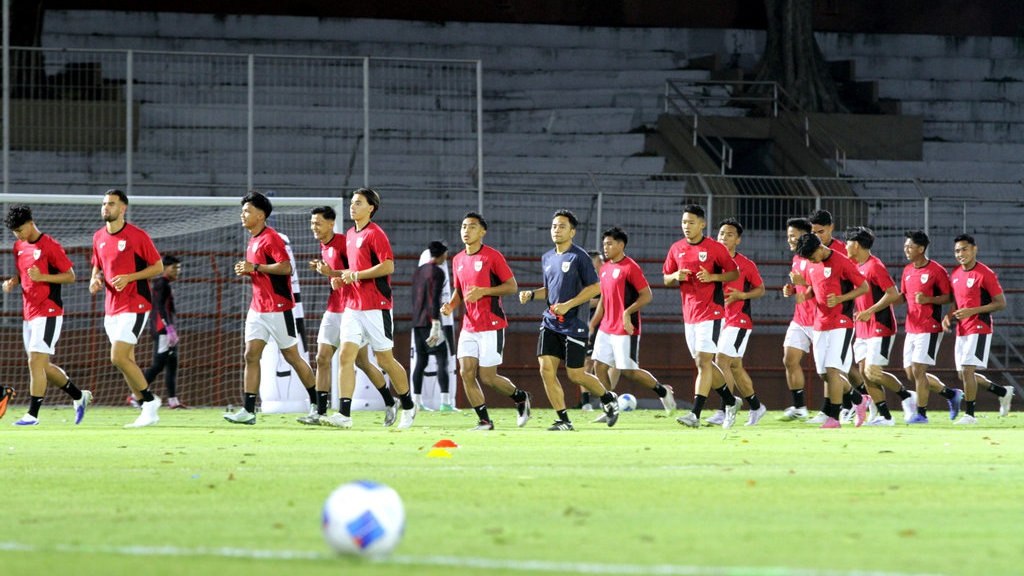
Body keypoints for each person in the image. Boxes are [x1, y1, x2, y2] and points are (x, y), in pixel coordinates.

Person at [518, 209, 619, 431]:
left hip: (575, 324)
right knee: (546, 369)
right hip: (551, 322)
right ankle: (564, 420)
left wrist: (569, 305)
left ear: (572, 231)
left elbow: (595, 287)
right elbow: (551, 289)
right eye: (554, 226)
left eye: (562, 226)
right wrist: (533, 294)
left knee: (575, 374)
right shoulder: (547, 257)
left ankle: (608, 398)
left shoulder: (579, 256)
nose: (557, 230)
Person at [224, 191, 318, 425]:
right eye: (242, 210)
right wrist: (248, 269)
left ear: (261, 215)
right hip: (257, 308)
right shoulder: (253, 239)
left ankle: (318, 405)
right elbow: (259, 270)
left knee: (292, 357)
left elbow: (287, 268)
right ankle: (248, 411)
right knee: (250, 355)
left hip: (278, 308)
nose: (242, 214)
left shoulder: (271, 238)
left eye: (247, 210)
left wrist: (254, 267)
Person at [327, 188, 416, 429]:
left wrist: (355, 274)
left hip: (376, 306)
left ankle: (408, 404)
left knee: (385, 360)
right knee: (346, 356)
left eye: (358, 203)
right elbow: (353, 269)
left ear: (371, 208)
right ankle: (344, 415)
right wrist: (340, 277)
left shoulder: (375, 234)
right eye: (352, 203)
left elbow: (388, 266)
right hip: (352, 306)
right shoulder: (349, 234)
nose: (352, 207)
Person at [301, 205, 394, 426]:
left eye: (318, 223)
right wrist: (327, 272)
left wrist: (332, 274)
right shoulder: (324, 247)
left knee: (362, 362)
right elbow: (339, 274)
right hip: (334, 308)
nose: (314, 227)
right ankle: (320, 412)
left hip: (352, 309)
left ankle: (390, 401)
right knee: (322, 358)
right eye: (312, 223)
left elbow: (355, 272)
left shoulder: (344, 242)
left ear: (331, 223)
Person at [441, 212, 531, 430]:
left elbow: (512, 286)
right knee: (466, 372)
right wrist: (450, 306)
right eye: (463, 226)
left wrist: (484, 292)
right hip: (469, 326)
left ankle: (521, 397)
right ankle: (484, 421)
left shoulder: (492, 256)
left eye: (472, 227)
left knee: (488, 377)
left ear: (482, 232)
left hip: (491, 324)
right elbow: (459, 291)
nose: (466, 231)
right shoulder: (458, 259)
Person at [3, 204, 91, 426]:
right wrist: (14, 280)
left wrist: (42, 277)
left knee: (35, 361)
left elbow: (70, 276)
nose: (19, 235)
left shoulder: (50, 246)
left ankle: (32, 414)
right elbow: (24, 272)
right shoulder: (18, 246)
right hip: (29, 313)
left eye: (21, 230)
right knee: (42, 366)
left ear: (31, 223)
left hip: (49, 311)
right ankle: (80, 397)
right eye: (15, 232)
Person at [89, 189, 164, 428]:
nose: (105, 208)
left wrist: (130, 277)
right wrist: (95, 279)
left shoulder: (137, 236)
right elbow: (97, 266)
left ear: (123, 208)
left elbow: (158, 267)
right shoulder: (98, 236)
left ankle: (150, 402)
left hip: (135, 303)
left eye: (111, 204)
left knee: (118, 357)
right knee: (125, 361)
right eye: (103, 204)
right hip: (111, 308)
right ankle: (146, 410)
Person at [662, 204, 741, 429]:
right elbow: (666, 278)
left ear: (702, 224)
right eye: (684, 222)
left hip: (712, 312)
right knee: (702, 363)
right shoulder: (676, 248)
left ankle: (695, 414)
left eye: (691, 222)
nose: (687, 226)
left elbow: (733, 272)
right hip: (690, 315)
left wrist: (713, 277)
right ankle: (730, 400)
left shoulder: (715, 248)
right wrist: (675, 275)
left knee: (703, 361)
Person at [587, 226, 674, 420]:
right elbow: (603, 299)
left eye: (609, 244)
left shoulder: (631, 267)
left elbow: (647, 296)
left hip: (626, 329)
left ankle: (662, 392)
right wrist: (593, 323)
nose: (606, 248)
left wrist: (627, 313)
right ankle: (610, 407)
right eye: (604, 244)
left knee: (629, 371)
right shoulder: (605, 268)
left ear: (621, 245)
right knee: (598, 367)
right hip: (606, 327)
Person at [844, 226, 918, 426]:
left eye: (848, 242)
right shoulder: (853, 265)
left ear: (856, 245)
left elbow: (892, 294)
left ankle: (906, 396)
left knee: (872, 372)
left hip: (880, 326)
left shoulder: (874, 266)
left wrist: (870, 311)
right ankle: (884, 417)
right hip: (862, 329)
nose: (845, 246)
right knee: (865, 375)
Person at [794, 232, 868, 429]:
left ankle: (834, 419)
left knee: (833, 370)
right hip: (819, 323)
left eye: (812, 257)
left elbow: (864, 287)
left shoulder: (842, 261)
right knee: (823, 374)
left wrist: (841, 299)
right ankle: (859, 400)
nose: (811, 261)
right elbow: (814, 288)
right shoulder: (812, 264)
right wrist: (799, 292)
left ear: (820, 248)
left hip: (841, 322)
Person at [942, 234, 1012, 424]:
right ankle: (1002, 392)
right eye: (957, 250)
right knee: (963, 374)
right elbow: (957, 302)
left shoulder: (985, 273)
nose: (961, 254)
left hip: (980, 327)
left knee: (966, 371)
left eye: (965, 249)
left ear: (974, 249)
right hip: (962, 329)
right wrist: (948, 316)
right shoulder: (956, 274)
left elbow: (1001, 303)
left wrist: (973, 311)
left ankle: (970, 415)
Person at [896, 229, 963, 423]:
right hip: (911, 327)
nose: (906, 249)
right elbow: (903, 295)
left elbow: (950, 297)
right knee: (911, 373)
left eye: (910, 246)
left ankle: (921, 414)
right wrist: (888, 300)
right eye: (905, 246)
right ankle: (951, 395)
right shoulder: (907, 270)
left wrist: (929, 299)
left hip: (929, 327)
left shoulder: (936, 270)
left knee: (918, 370)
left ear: (921, 248)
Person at [706, 218, 766, 426]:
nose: (723, 237)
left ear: (738, 240)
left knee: (721, 360)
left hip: (738, 320)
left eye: (729, 234)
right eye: (721, 233)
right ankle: (756, 406)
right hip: (718, 319)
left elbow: (760, 289)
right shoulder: (711, 263)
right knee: (735, 367)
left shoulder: (746, 264)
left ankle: (725, 409)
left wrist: (742, 295)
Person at [411, 240, 454, 411]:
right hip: (431, 322)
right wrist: (436, 323)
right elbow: (435, 298)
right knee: (442, 359)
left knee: (420, 362)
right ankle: (445, 402)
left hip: (417, 322)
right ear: (443, 254)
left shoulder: (418, 272)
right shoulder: (438, 272)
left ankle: (417, 402)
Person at [780, 217, 815, 421]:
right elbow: (802, 286)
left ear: (804, 235)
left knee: (831, 369)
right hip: (800, 319)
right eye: (788, 237)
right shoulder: (796, 259)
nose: (790, 240)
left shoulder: (816, 257)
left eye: (793, 236)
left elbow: (822, 287)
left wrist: (803, 283)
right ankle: (799, 407)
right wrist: (792, 289)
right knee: (789, 360)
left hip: (820, 320)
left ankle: (857, 399)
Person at [143, 254, 186, 409]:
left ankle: (173, 401)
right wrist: (168, 328)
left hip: (167, 329)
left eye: (179, 268)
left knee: (172, 364)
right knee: (159, 364)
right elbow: (160, 307)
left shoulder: (166, 284)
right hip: (162, 330)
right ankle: (136, 395)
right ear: (165, 268)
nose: (177, 271)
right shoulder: (162, 283)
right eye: (174, 267)